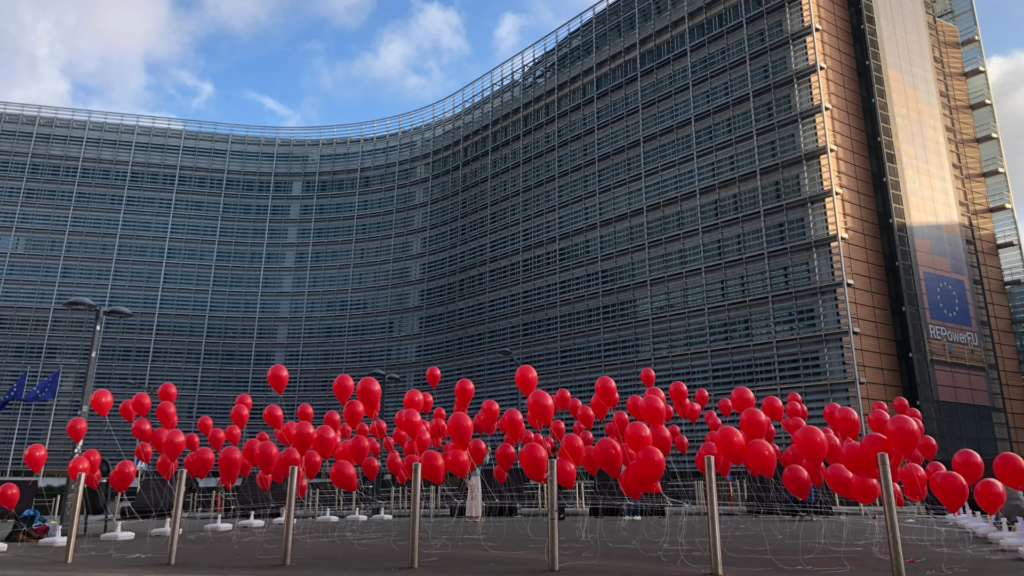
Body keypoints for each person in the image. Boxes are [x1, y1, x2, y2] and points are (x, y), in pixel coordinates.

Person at [466, 449, 489, 521]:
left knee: (470, 497)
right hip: (475, 476)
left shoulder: (468, 456)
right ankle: (477, 516)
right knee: (477, 497)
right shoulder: (476, 457)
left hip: (469, 477)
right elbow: (484, 462)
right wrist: (487, 453)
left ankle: (469, 516)